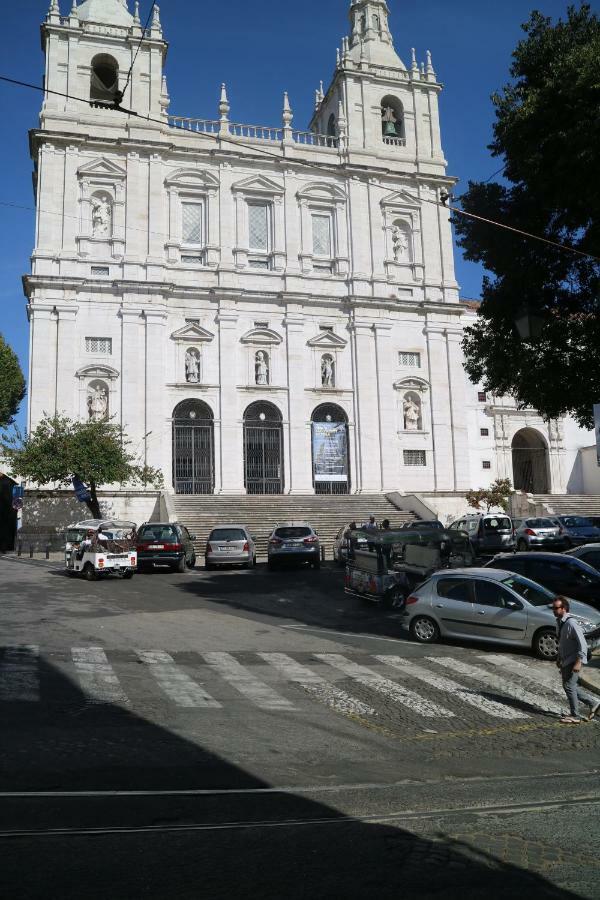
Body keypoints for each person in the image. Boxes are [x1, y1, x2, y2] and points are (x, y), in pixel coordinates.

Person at [553, 596, 600, 724]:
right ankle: (594, 703)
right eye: (553, 608)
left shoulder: (571, 623)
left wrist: (579, 662)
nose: (554, 610)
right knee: (569, 686)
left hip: (573, 660)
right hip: (566, 659)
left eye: (556, 608)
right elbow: (562, 643)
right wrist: (559, 658)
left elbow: (583, 644)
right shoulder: (559, 622)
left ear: (564, 608)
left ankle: (576, 716)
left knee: (569, 686)